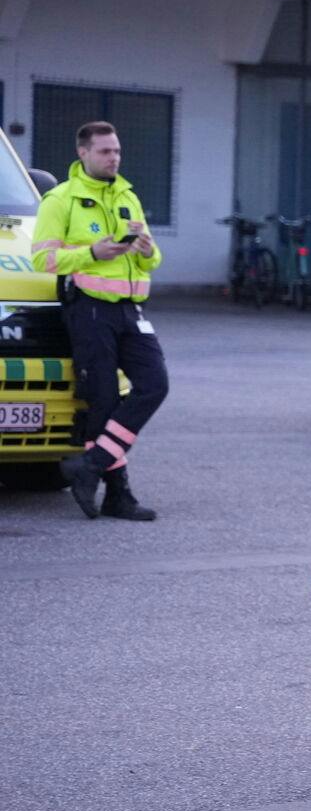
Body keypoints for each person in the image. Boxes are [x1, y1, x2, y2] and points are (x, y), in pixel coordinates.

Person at [33, 121, 167, 521]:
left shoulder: (127, 194)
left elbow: (153, 259)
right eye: (106, 151)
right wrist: (93, 252)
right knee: (103, 398)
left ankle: (90, 467)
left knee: (154, 384)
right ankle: (117, 494)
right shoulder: (61, 200)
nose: (114, 158)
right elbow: (42, 259)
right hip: (89, 308)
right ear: (83, 153)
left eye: (117, 151)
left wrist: (144, 250)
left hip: (130, 309)